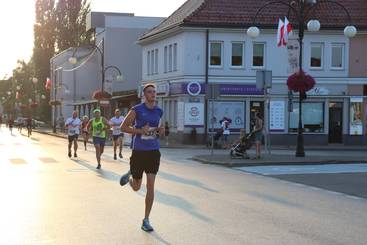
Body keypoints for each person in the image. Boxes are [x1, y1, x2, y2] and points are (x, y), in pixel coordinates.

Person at [119, 83, 164, 232]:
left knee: (151, 185)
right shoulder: (136, 110)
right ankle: (131, 178)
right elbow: (123, 127)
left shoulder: (159, 111)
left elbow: (159, 131)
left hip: (153, 152)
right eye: (150, 92)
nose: (153, 94)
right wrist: (140, 130)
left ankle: (146, 219)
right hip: (139, 152)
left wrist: (161, 131)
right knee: (137, 188)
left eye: (154, 92)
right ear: (144, 95)